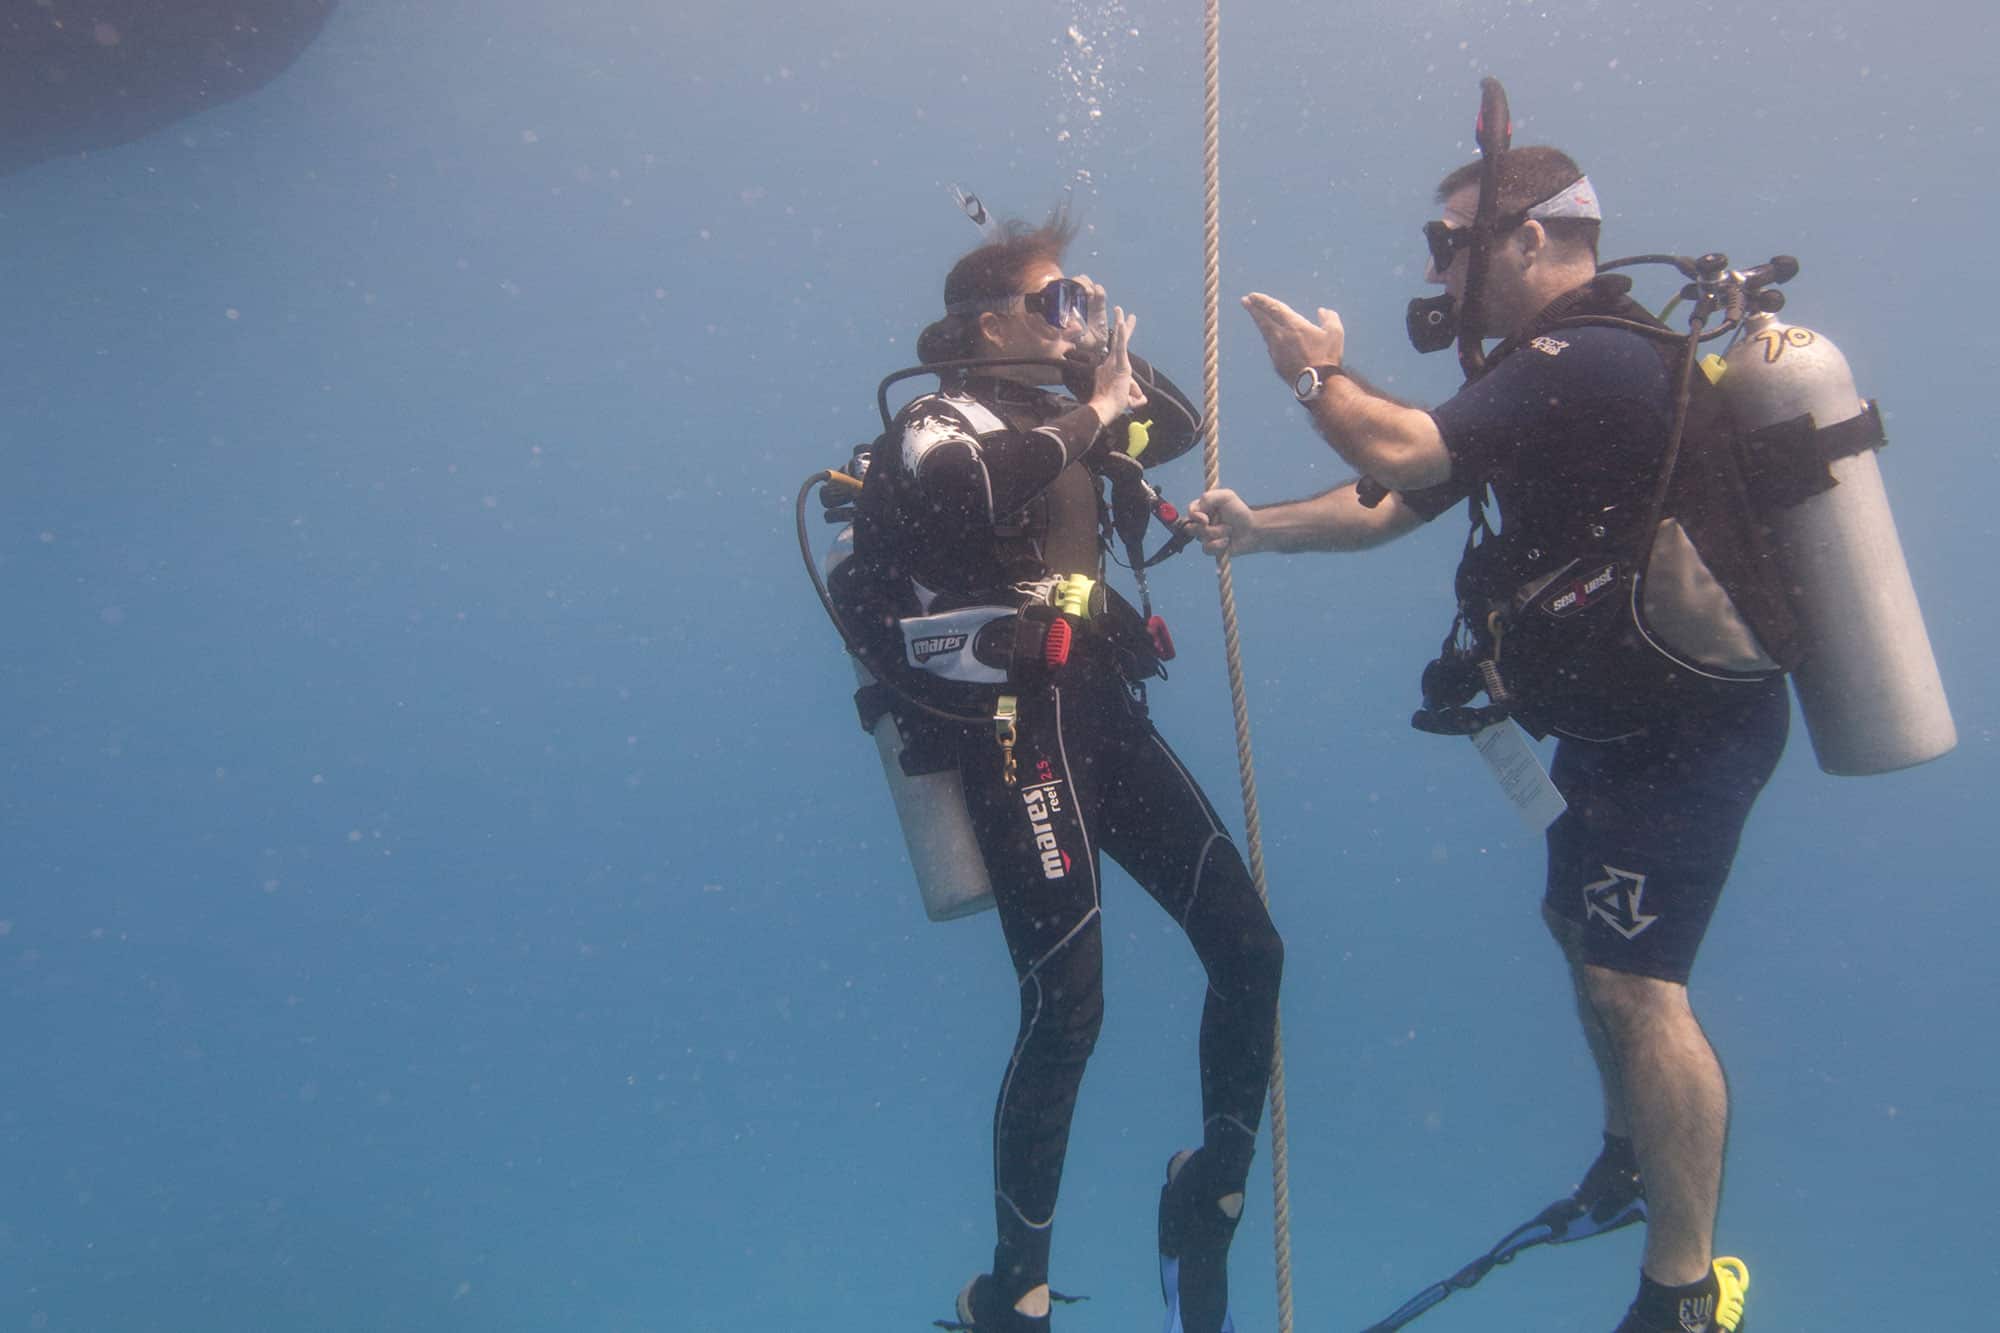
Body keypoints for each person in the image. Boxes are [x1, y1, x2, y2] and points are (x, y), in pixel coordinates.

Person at [1187, 147, 1782, 1333]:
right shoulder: (1536, 375)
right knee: (1576, 932)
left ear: (1529, 237)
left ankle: (1683, 1287)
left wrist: (1313, 377)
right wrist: (1255, 531)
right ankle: (1629, 1157)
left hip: (1686, 722)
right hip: (1614, 718)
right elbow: (1393, 506)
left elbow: (1399, 451)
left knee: (1634, 984)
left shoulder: (1590, 353)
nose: (1432, 265)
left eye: (1449, 240)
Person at [833, 212, 1283, 1333]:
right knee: (1067, 1010)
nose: (1076, 316)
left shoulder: (1071, 415)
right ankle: (1012, 1290)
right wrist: (1092, 405)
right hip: (1007, 729)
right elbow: (959, 494)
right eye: (1051, 301)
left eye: (1080, 297)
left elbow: (1167, 427)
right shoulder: (938, 421)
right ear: (983, 323)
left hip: (1097, 711)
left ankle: (1210, 1193)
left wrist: (1096, 368)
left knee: (1249, 947)